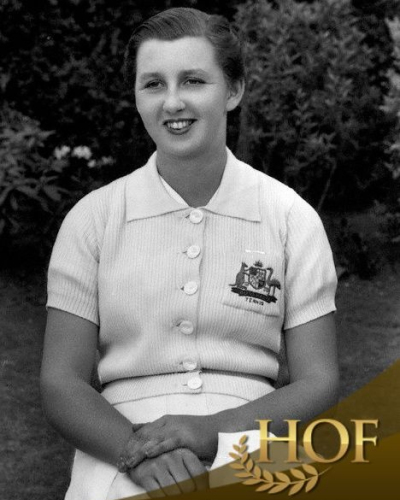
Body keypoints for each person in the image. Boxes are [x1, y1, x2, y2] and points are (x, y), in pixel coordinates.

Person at [40, 7, 339, 500]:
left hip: (254, 435)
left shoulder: (291, 219)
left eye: (194, 80)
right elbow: (60, 382)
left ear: (234, 91)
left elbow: (318, 379)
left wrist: (211, 431)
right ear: (136, 97)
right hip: (118, 440)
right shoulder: (92, 220)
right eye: (153, 84)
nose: (173, 102)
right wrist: (136, 451)